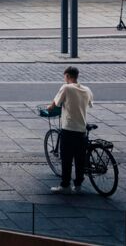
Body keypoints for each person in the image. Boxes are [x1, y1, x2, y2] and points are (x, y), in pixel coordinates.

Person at [47, 66, 94, 194]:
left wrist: (49, 108)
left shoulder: (66, 87)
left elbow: (55, 103)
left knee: (66, 158)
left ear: (67, 76)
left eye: (65, 76)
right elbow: (90, 104)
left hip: (69, 128)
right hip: (82, 129)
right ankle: (78, 186)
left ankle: (65, 185)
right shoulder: (87, 89)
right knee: (79, 159)